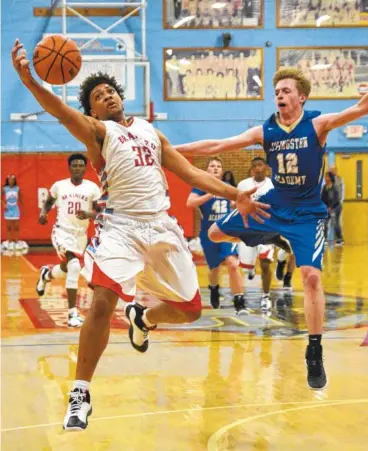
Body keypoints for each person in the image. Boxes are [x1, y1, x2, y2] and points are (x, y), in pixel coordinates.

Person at [12, 39, 267, 430]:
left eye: (110, 90)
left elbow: (192, 174)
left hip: (162, 227)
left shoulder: (151, 132)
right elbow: (61, 111)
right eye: (97, 96)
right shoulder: (97, 132)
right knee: (100, 302)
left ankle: (143, 318)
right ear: (92, 110)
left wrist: (236, 194)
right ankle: (80, 393)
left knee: (192, 310)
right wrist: (30, 81)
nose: (106, 96)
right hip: (121, 227)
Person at [176, 67, 368, 390]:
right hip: (274, 205)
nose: (280, 95)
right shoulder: (266, 131)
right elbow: (218, 145)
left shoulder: (317, 125)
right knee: (216, 233)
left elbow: (362, 108)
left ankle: (314, 351)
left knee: (311, 277)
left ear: (301, 97)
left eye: (287, 91)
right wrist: (171, 151)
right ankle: (275, 236)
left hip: (307, 215)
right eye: (277, 91)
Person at [36, 153, 101, 327]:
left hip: (80, 235)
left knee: (65, 269)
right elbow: (49, 202)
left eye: (81, 165)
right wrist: (43, 213)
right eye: (74, 165)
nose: (78, 168)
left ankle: (46, 275)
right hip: (62, 232)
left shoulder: (92, 188)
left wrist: (89, 214)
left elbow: (99, 213)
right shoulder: (59, 186)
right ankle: (72, 314)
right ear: (69, 167)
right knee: (73, 267)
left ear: (85, 168)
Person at [186, 157, 248, 315]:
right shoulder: (200, 187)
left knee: (233, 264)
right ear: (206, 170)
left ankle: (239, 301)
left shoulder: (227, 187)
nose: (215, 168)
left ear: (222, 171)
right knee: (214, 268)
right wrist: (210, 194)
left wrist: (236, 204)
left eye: (218, 166)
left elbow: (238, 203)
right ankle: (214, 288)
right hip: (209, 235)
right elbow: (190, 203)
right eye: (212, 166)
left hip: (227, 232)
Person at [237, 157, 295, 310]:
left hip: (267, 230)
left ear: (266, 168)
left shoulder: (273, 185)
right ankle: (250, 268)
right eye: (254, 165)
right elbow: (237, 205)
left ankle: (266, 296)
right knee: (246, 267)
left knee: (265, 263)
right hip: (248, 230)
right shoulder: (243, 185)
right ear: (251, 169)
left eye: (260, 165)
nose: (257, 168)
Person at [2, 174, 27, 251]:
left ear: (14, 181)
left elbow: (21, 199)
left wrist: (23, 208)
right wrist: (3, 204)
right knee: (9, 227)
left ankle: (16, 242)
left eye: (13, 180)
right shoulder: (4, 189)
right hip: (8, 209)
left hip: (15, 209)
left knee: (16, 227)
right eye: (10, 179)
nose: (11, 181)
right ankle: (9, 242)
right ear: (7, 180)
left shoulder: (17, 188)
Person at [321, 171, 343, 245]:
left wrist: (331, 207)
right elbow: (322, 198)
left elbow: (336, 198)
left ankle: (340, 238)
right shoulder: (325, 187)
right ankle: (325, 239)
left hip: (336, 207)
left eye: (327, 176)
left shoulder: (335, 187)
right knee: (324, 222)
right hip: (328, 207)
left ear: (330, 178)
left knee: (334, 221)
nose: (325, 178)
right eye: (325, 176)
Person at [328, 165, 344, 245]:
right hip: (330, 205)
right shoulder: (329, 180)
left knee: (335, 222)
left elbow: (338, 194)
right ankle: (336, 238)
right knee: (329, 222)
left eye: (331, 170)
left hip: (336, 205)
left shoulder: (338, 180)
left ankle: (340, 239)